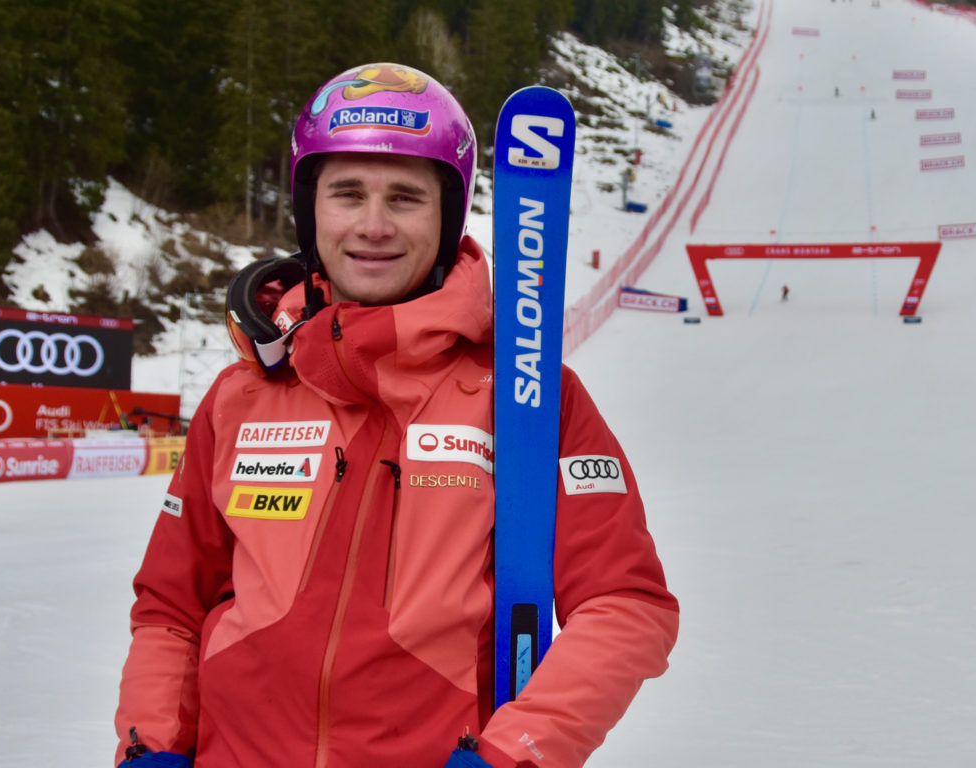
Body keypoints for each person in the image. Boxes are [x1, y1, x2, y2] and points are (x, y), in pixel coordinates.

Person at [112, 63, 678, 768]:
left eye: (406, 198)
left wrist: (515, 753)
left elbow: (627, 606)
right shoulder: (240, 398)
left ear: (448, 218)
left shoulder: (527, 396)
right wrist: (152, 743)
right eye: (347, 193)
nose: (373, 226)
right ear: (308, 208)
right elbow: (170, 608)